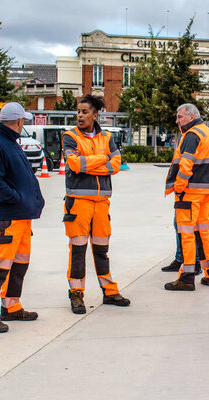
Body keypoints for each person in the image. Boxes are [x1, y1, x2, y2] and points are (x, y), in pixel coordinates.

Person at [0, 102, 44, 333]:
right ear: (18, 122)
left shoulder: (10, 143)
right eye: (23, 120)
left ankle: (11, 306)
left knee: (19, 265)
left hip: (21, 218)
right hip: (7, 218)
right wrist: (16, 198)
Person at [62, 95, 130, 314]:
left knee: (102, 249)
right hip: (78, 203)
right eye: (78, 112)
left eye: (84, 112)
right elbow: (75, 163)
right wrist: (103, 158)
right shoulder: (70, 137)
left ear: (94, 114)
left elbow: (116, 165)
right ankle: (76, 294)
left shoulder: (107, 137)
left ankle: (110, 291)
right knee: (78, 250)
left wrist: (89, 162)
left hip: (102, 203)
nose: (80, 116)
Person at [164, 103, 209, 291]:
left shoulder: (191, 136)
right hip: (204, 193)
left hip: (189, 193)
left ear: (191, 116)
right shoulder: (208, 133)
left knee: (186, 234)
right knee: (204, 232)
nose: (177, 121)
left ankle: (186, 278)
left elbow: (185, 167)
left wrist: (178, 189)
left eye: (180, 117)